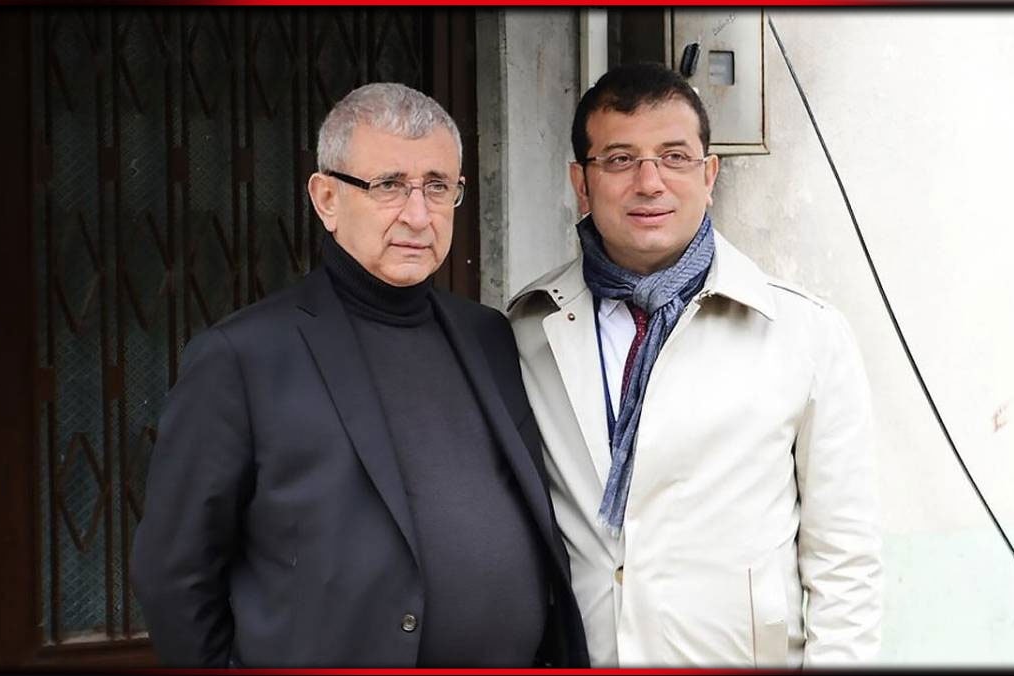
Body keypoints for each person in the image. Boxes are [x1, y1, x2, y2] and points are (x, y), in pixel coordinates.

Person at [131, 82, 588, 668]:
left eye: (437, 186)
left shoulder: (489, 335)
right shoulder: (242, 358)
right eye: (388, 185)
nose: (418, 215)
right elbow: (175, 574)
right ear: (326, 198)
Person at [507, 62, 882, 667]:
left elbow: (845, 562)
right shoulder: (529, 328)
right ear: (582, 182)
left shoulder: (805, 333)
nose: (649, 182)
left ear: (709, 176)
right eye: (620, 159)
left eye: (675, 157)